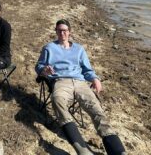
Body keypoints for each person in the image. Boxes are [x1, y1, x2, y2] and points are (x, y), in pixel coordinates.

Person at [35, 19, 126, 155]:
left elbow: (87, 69)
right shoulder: (49, 48)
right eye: (59, 30)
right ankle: (82, 149)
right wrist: (44, 70)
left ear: (69, 32)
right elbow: (38, 66)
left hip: (80, 82)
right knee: (57, 99)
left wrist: (95, 79)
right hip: (61, 81)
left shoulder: (79, 49)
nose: (62, 33)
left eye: (65, 30)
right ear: (56, 31)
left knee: (96, 109)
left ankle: (117, 151)